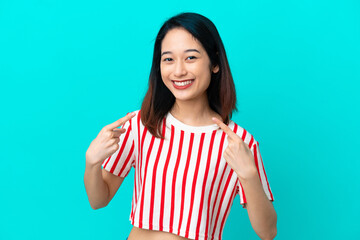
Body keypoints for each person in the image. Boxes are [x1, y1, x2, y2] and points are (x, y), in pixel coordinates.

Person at [84, 12, 277, 240]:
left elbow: (268, 232)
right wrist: (92, 162)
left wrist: (250, 175)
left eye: (191, 58)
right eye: (168, 59)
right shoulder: (141, 124)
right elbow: (99, 200)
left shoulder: (238, 142)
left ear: (214, 63)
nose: (178, 71)